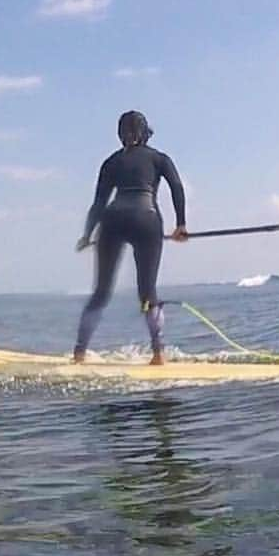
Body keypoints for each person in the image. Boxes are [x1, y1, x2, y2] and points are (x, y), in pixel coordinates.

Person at [74, 111, 188, 365]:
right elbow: (177, 187)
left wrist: (87, 235)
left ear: (120, 134)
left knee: (101, 291)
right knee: (147, 291)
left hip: (112, 221)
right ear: (146, 132)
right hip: (145, 220)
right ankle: (158, 354)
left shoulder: (111, 162)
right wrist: (180, 225)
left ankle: (79, 354)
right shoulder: (159, 158)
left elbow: (99, 203)